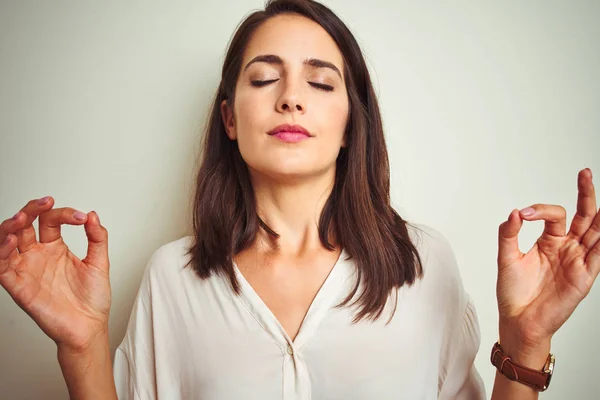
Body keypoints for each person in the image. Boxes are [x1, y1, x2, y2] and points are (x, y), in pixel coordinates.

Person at [0, 0, 598, 399]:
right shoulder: (173, 279)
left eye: (320, 82)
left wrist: (526, 342)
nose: (291, 98)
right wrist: (81, 346)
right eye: (264, 78)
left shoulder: (422, 264)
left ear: (350, 120)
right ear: (230, 119)